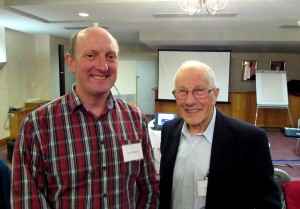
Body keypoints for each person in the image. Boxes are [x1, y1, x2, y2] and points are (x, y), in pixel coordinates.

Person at [11, 26, 159, 209]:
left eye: (110, 56)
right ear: (71, 62)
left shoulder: (135, 119)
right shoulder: (37, 126)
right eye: (91, 55)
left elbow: (149, 186)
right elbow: (28, 200)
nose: (103, 66)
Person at [158, 60, 282, 209]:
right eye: (182, 91)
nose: (189, 101)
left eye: (199, 91)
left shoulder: (250, 139)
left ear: (215, 95)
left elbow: (268, 204)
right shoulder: (169, 130)